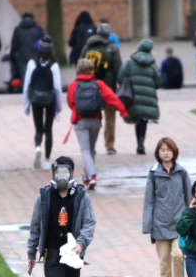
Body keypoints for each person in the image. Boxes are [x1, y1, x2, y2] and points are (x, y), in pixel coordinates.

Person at [27, 156, 96, 277]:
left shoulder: (82, 196)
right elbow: (35, 226)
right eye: (58, 171)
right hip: (52, 249)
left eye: (65, 171)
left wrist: (81, 243)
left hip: (73, 250)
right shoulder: (45, 196)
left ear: (72, 173)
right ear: (53, 173)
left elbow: (89, 223)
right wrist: (31, 252)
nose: (61, 175)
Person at [142, 138, 192, 277]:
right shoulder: (154, 173)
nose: (165, 152)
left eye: (168, 149)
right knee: (164, 261)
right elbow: (149, 200)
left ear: (174, 152)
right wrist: (147, 225)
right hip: (160, 224)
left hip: (179, 224)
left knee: (178, 255)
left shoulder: (182, 172)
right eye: (162, 150)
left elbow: (189, 199)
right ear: (158, 153)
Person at [68, 58, 128, 189]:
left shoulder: (73, 85)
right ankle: (87, 178)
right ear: (91, 69)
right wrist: (124, 112)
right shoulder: (98, 84)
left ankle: (92, 176)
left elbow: (70, 102)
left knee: (85, 150)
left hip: (81, 121)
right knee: (91, 150)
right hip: (95, 120)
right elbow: (112, 97)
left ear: (78, 69)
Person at [23, 36, 63, 170]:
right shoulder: (54, 64)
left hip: (36, 99)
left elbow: (27, 84)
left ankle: (38, 147)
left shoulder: (32, 63)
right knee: (48, 129)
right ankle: (46, 160)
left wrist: (26, 104)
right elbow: (57, 87)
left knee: (38, 128)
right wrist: (59, 106)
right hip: (50, 99)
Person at [83, 23, 123, 155]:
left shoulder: (86, 48)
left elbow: (80, 68)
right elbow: (119, 71)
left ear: (97, 32)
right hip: (108, 89)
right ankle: (109, 145)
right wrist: (121, 86)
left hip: (89, 88)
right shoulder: (112, 49)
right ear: (109, 34)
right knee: (110, 117)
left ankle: (89, 145)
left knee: (90, 116)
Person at [119, 38, 162, 155]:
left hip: (132, 97)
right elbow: (159, 82)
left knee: (137, 119)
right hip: (148, 97)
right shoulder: (153, 65)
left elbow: (120, 77)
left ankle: (139, 143)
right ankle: (141, 143)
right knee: (143, 120)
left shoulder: (129, 63)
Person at [11, 12, 44, 92]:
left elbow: (14, 43)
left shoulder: (18, 28)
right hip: (36, 56)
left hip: (22, 56)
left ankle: (25, 93)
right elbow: (42, 42)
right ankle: (35, 92)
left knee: (24, 76)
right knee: (35, 75)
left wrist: (12, 55)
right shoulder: (38, 28)